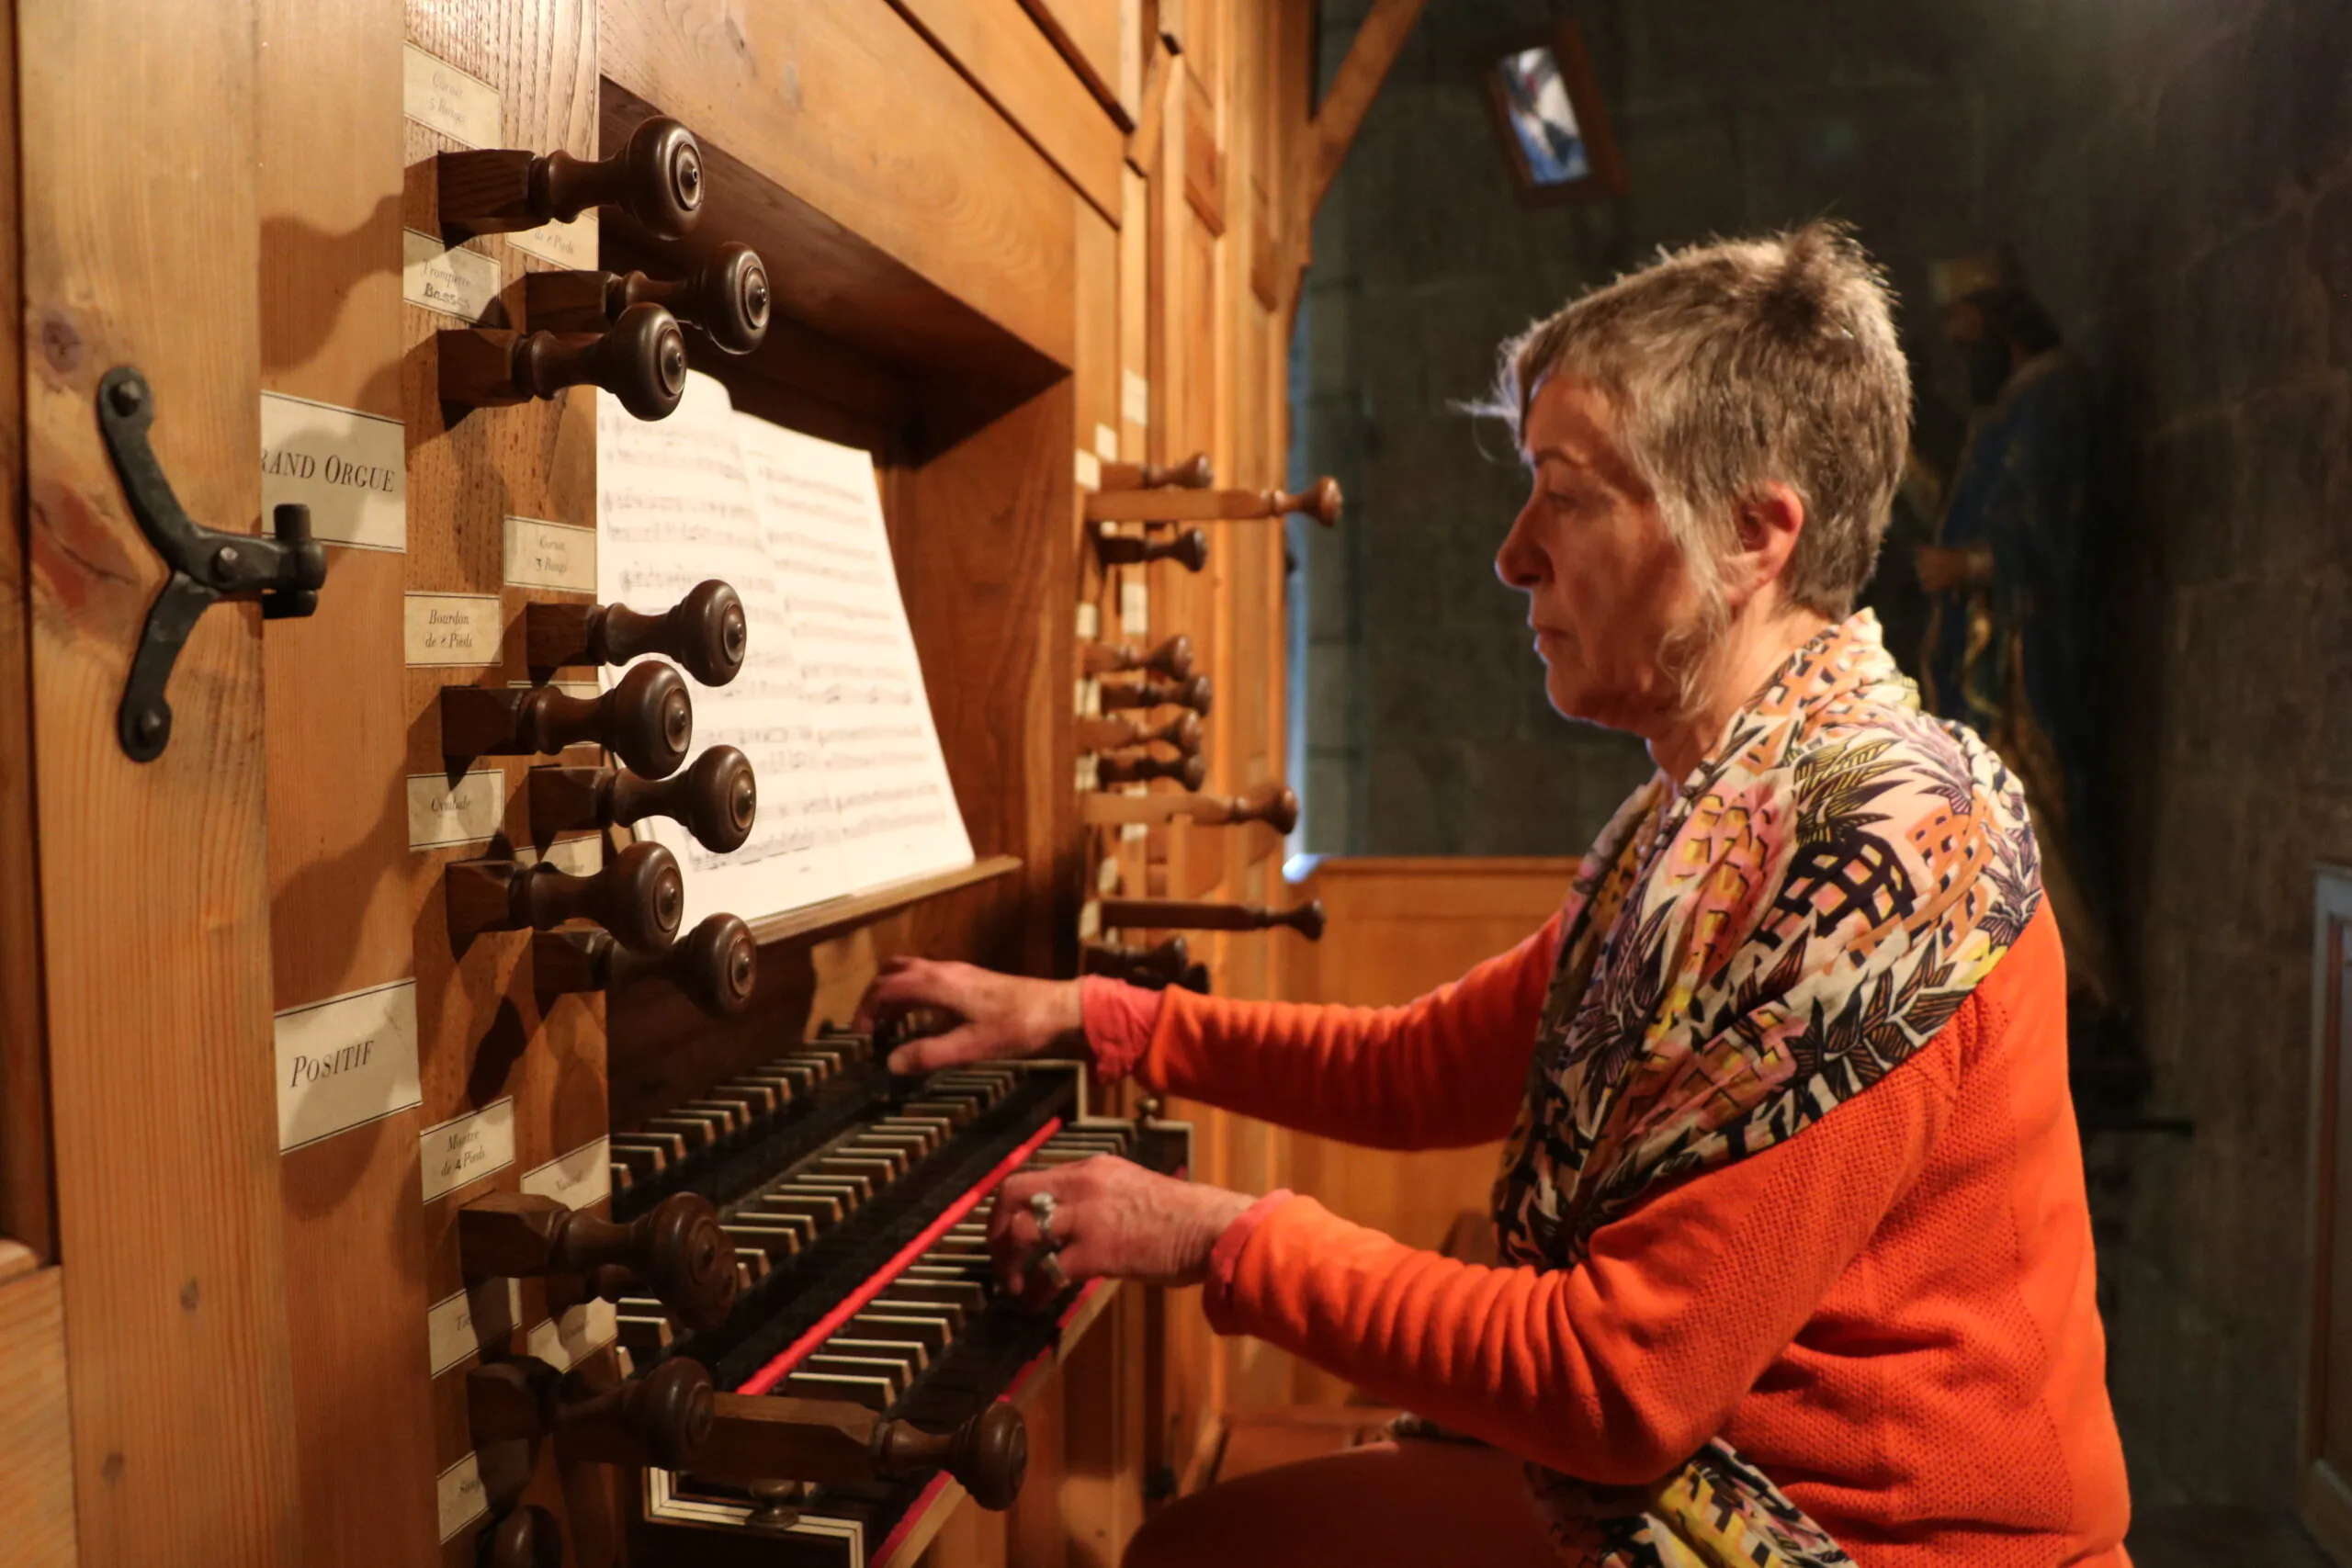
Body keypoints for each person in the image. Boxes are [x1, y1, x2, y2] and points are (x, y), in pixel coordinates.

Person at [857, 225, 2131, 1567]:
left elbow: (1620, 1384)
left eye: (1566, 493)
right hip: (1713, 1481)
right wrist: (1094, 1015)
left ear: (1755, 533)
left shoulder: (1881, 842)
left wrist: (1220, 1234)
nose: (1512, 554)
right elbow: (1421, 1067)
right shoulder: (1705, 820)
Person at [1913, 250, 2120, 1018]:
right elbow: (1959, 515)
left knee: (2037, 808)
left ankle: (2081, 983)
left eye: (1966, 337)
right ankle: (2026, 978)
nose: (1960, 353)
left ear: (2003, 326)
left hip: (2023, 662)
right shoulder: (2001, 416)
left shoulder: (2054, 400)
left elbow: (2060, 532)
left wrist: (1970, 563)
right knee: (1993, 822)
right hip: (1979, 661)